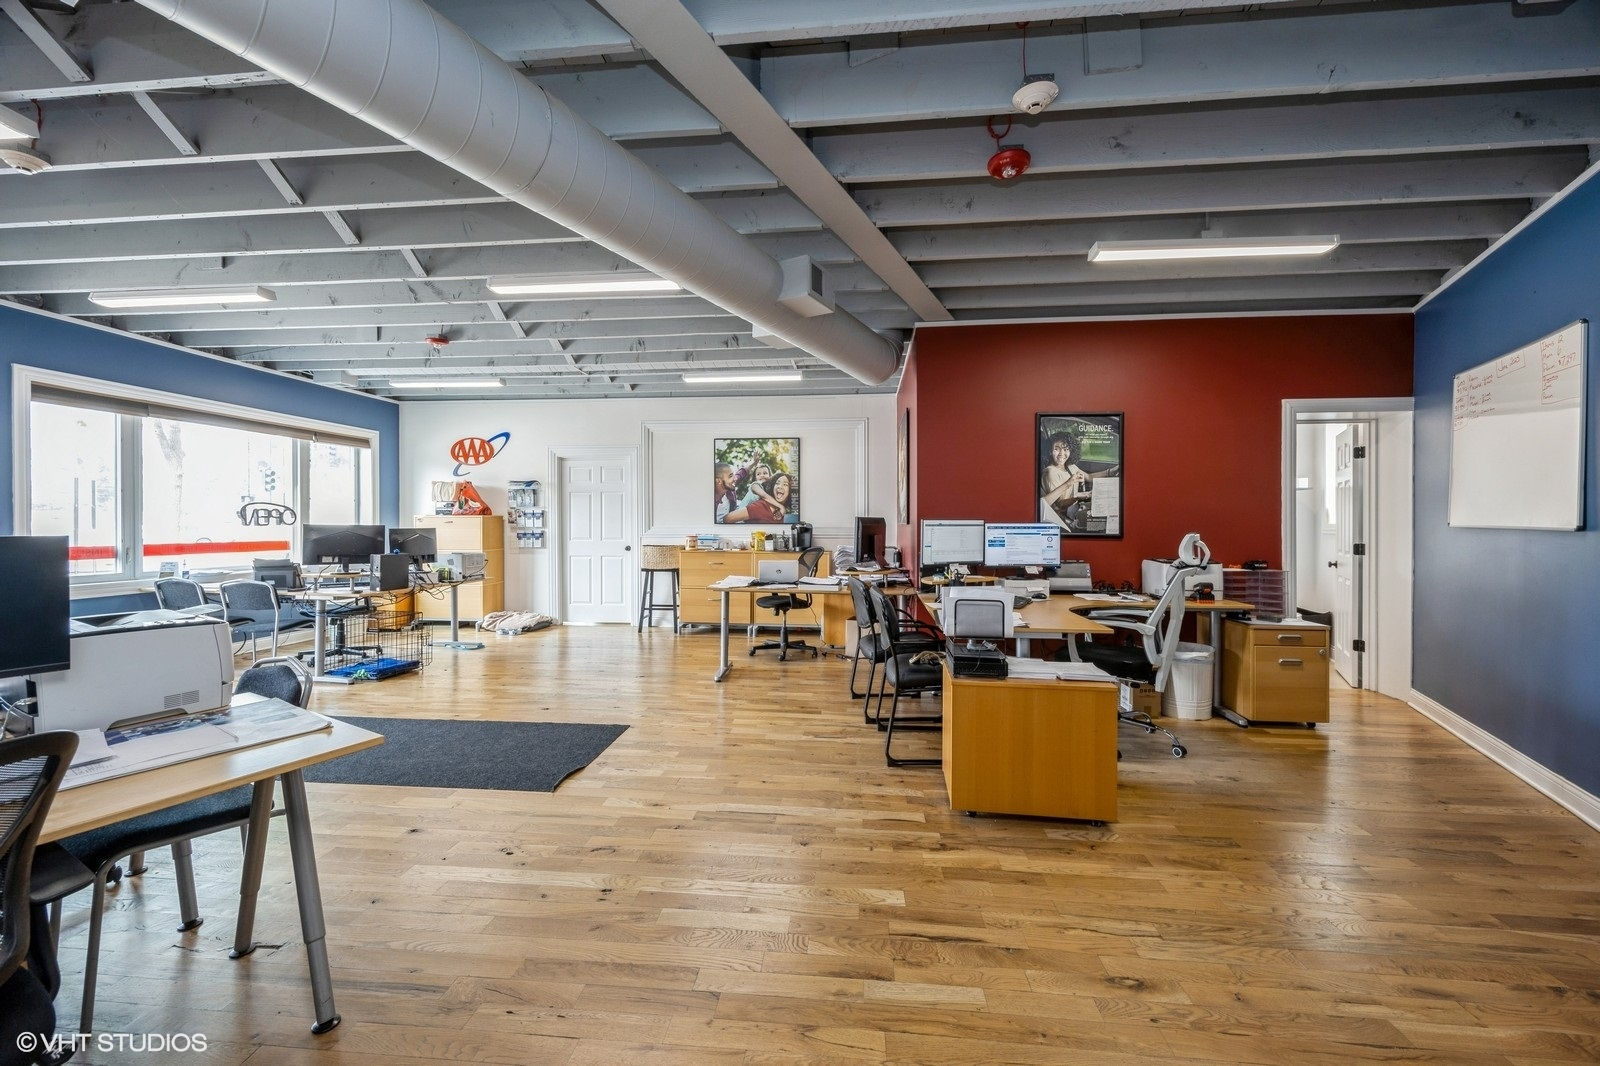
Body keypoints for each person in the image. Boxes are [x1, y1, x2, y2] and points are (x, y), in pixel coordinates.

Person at [1039, 431, 1118, 532]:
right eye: (1056, 449)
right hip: (1066, 519)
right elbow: (1060, 505)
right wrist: (1076, 494)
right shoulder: (1050, 472)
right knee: (1105, 524)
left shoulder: (1070, 466)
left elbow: (1089, 477)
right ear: (1050, 451)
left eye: (1066, 449)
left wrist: (1111, 471)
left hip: (1075, 508)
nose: (1062, 454)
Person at [726, 471, 796, 524]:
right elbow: (763, 495)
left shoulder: (784, 512)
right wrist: (781, 506)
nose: (762, 476)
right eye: (777, 483)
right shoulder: (757, 489)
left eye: (785, 484)